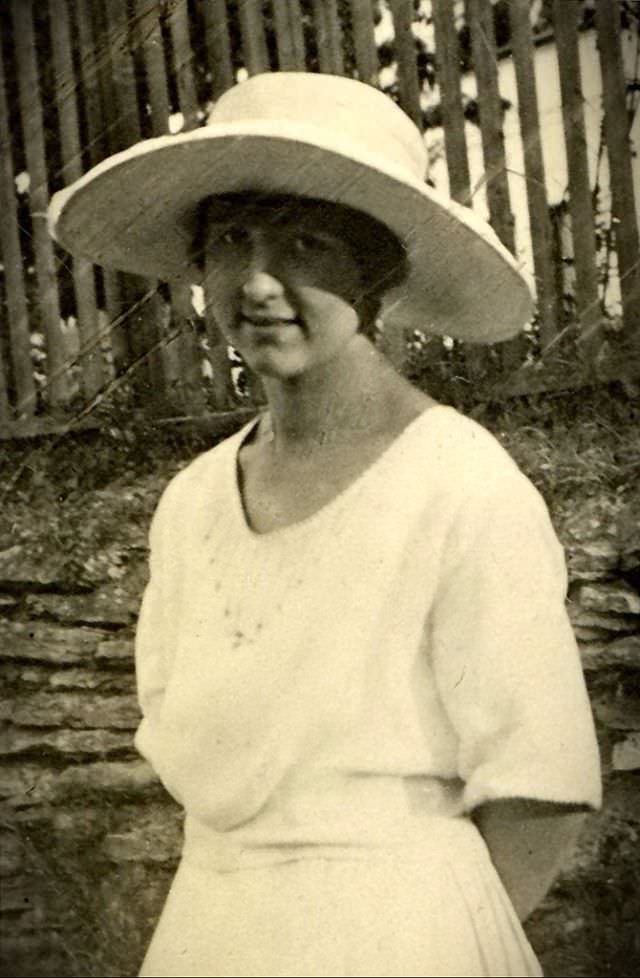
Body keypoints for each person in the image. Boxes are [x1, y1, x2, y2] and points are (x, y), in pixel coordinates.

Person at [49, 71, 601, 978]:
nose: (260, 282)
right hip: (212, 931)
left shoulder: (459, 484)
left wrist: (438, 937)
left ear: (377, 271)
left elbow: (540, 794)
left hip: (403, 933)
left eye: (306, 242)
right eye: (233, 239)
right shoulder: (192, 502)